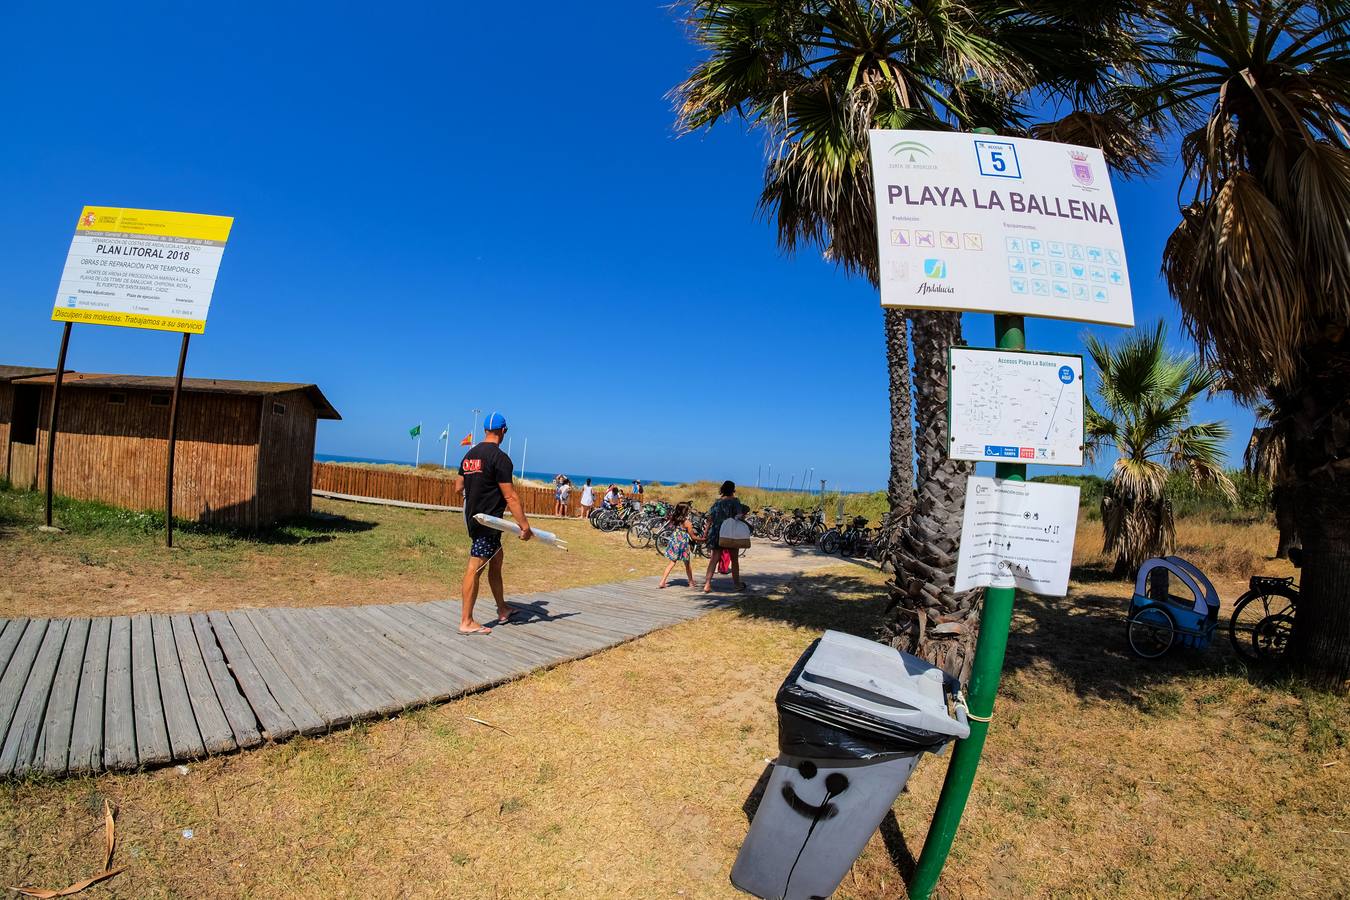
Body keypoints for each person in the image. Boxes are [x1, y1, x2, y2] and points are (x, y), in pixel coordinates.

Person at [455, 412, 533, 634]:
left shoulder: (470, 454)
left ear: (484, 431)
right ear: (504, 431)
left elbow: (458, 486)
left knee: (496, 559)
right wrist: (524, 526)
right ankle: (466, 621)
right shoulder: (500, 458)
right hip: (488, 522)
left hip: (474, 518)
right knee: (475, 568)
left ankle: (502, 609)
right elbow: (510, 497)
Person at [702, 480, 748, 594]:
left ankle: (707, 584)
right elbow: (739, 516)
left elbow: (709, 519)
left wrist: (705, 532)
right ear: (733, 489)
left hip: (717, 532)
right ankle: (737, 584)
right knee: (734, 560)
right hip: (730, 533)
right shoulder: (735, 501)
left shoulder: (717, 502)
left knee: (714, 559)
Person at [658, 502, 697, 589]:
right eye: (688, 510)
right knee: (687, 564)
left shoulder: (675, 518)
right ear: (685, 511)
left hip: (675, 541)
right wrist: (702, 539)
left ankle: (662, 581)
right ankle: (691, 582)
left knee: (672, 562)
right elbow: (693, 536)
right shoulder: (687, 523)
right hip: (683, 543)